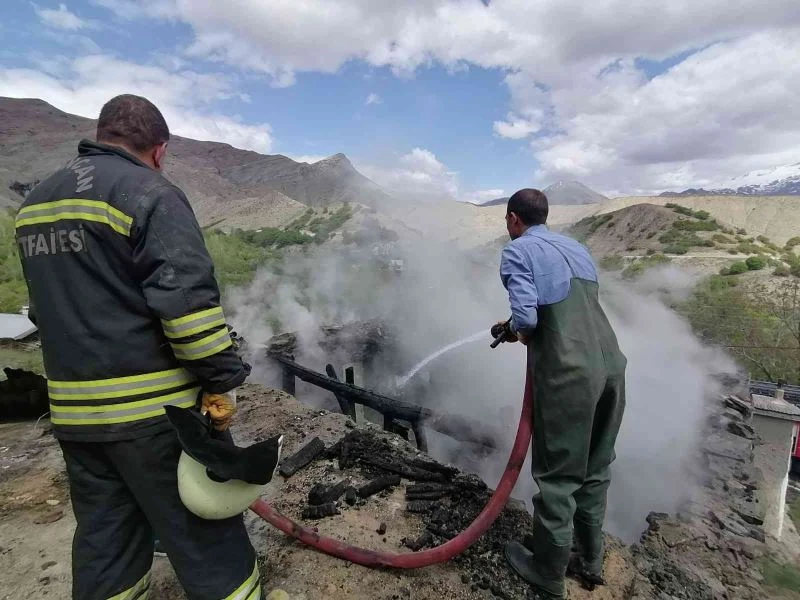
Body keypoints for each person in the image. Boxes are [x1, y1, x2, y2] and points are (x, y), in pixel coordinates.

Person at [15, 94, 261, 600]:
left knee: (108, 536)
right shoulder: (150, 192)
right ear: (160, 149)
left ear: (100, 135)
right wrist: (221, 378)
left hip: (75, 416)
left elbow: (45, 308)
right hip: (153, 419)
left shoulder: (34, 204)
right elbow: (187, 308)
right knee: (205, 533)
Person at [496, 188, 626, 599]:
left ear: (514, 219)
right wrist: (519, 326)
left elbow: (527, 318)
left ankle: (548, 574)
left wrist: (515, 330)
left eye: (507, 220)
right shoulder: (576, 248)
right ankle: (590, 561)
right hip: (611, 369)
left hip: (570, 377)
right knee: (596, 468)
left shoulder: (517, 252)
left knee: (558, 477)